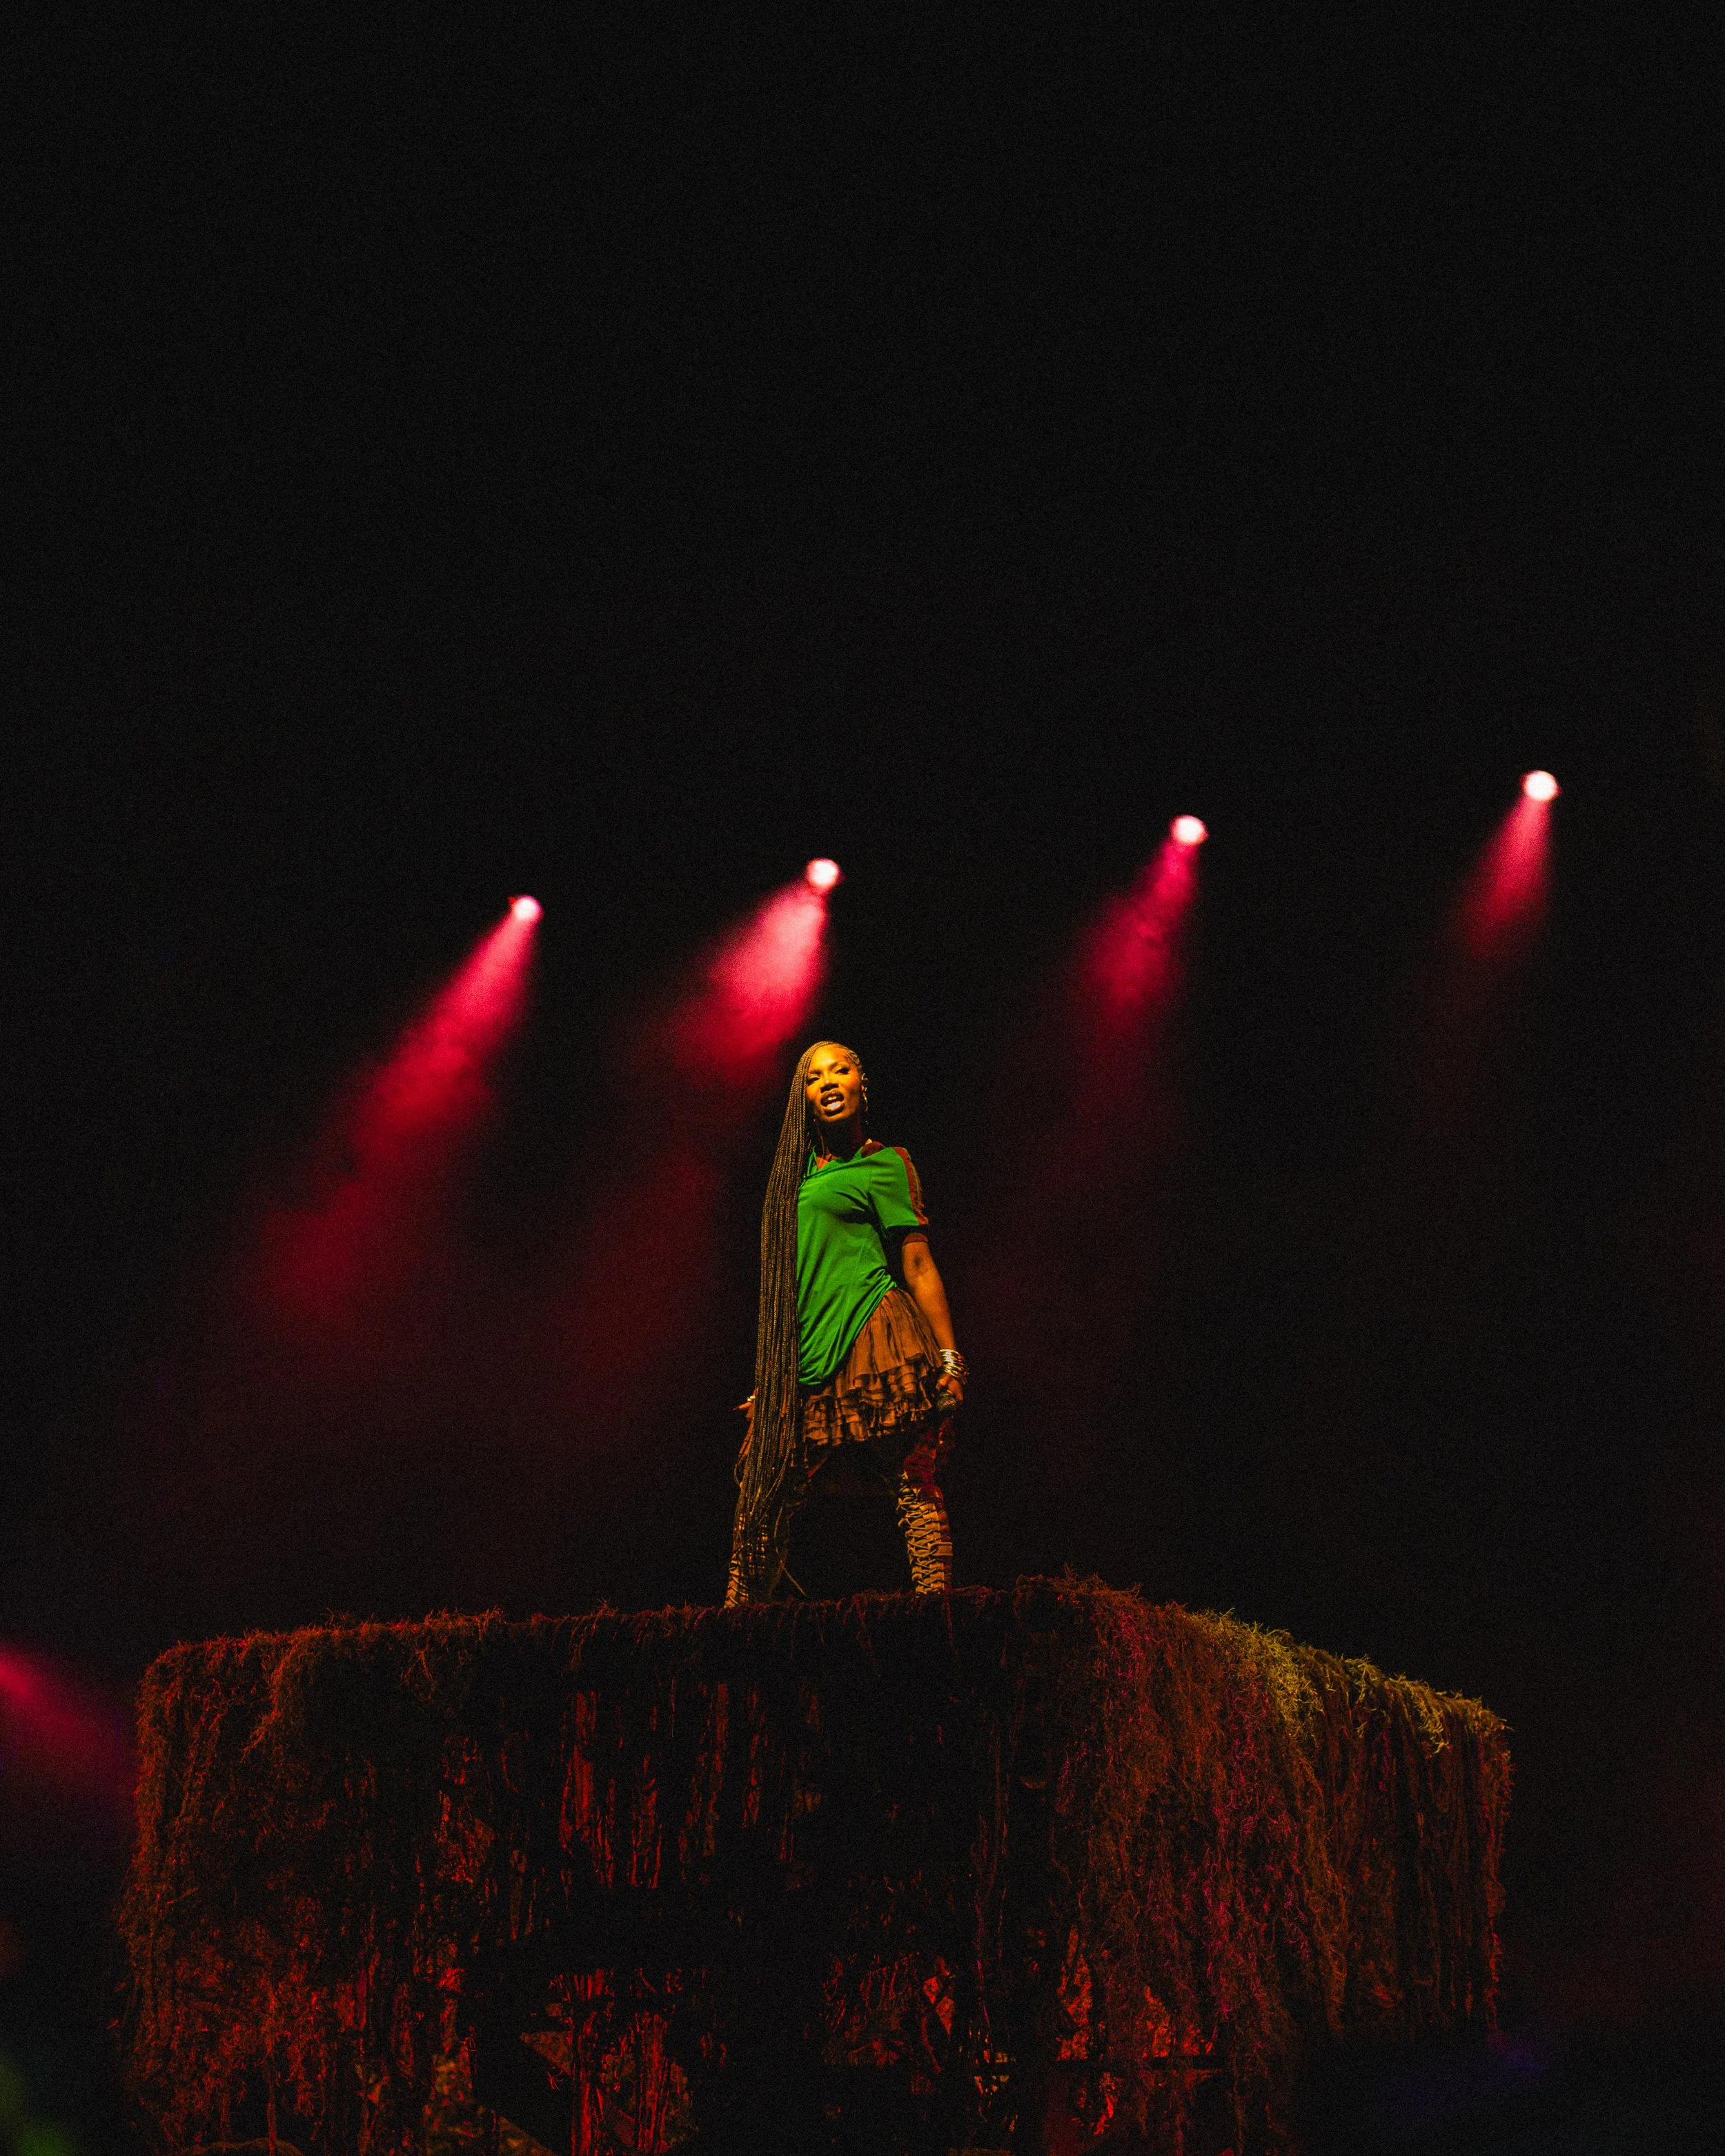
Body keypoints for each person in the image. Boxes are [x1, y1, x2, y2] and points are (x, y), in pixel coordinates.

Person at [725, 1040, 967, 1604]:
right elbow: (790, 1284)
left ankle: (938, 1616)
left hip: (872, 1334)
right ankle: (734, 1624)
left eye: (840, 1069)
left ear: (862, 1083)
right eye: (814, 1076)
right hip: (805, 1354)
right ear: (804, 1097)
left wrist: (951, 1358)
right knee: (764, 1493)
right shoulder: (794, 1175)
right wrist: (773, 1377)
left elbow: (917, 1263)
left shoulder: (886, 1164)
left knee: (911, 1478)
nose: (828, 1081)